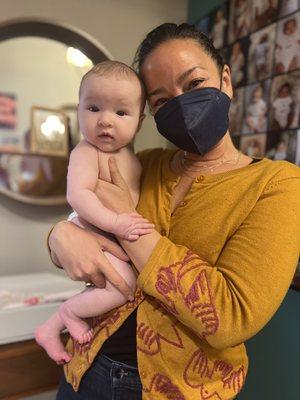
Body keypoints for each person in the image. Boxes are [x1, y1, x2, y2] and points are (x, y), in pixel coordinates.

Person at [48, 23, 300, 400]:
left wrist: (130, 227)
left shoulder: (277, 184)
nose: (182, 104)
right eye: (163, 101)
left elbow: (231, 316)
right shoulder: (142, 164)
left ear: (226, 80)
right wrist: (57, 237)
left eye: (195, 83)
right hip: (85, 363)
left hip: (180, 389)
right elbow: (81, 221)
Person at [35, 61, 154, 364]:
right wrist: (117, 221)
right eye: (94, 108)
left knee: (114, 287)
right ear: (78, 111)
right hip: (92, 228)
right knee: (123, 287)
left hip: (113, 234)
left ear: (139, 123)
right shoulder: (86, 152)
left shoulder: (136, 159)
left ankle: (51, 328)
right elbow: (78, 195)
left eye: (120, 112)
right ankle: (69, 311)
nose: (105, 121)